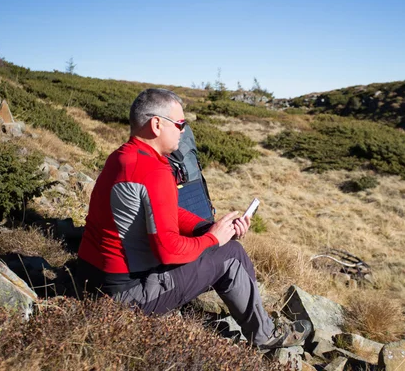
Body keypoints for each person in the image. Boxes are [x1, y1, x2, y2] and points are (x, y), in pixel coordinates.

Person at [76, 88, 311, 349]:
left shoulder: (122, 157)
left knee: (223, 244)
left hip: (90, 280)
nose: (183, 131)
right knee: (231, 254)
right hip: (127, 298)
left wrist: (208, 227)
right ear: (156, 124)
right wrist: (213, 239)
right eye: (180, 124)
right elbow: (168, 251)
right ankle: (265, 335)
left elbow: (167, 211)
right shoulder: (154, 170)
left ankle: (255, 318)